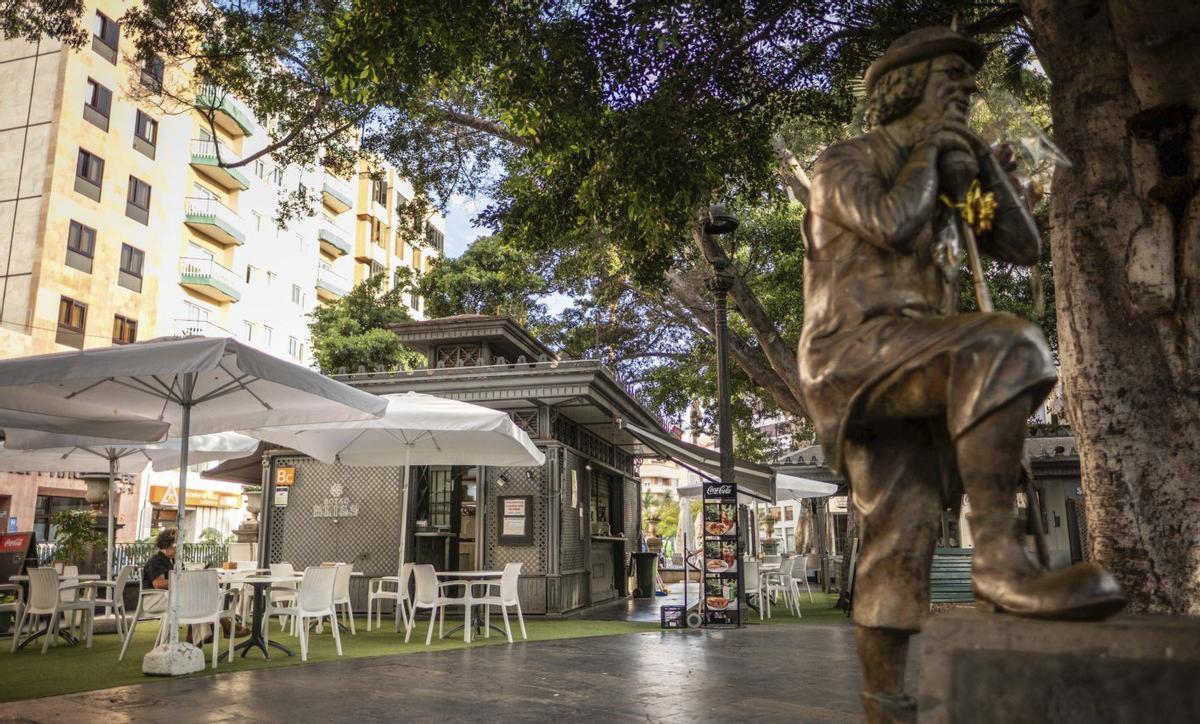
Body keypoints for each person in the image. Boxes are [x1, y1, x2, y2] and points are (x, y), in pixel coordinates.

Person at [799, 23, 1124, 723]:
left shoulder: (951, 173)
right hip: (854, 352)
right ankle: (999, 557)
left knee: (901, 529)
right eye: (953, 77)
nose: (969, 89)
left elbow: (1023, 246)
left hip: (921, 356)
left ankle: (885, 706)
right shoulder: (843, 162)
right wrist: (930, 153)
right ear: (907, 85)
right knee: (1008, 343)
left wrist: (982, 168)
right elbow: (892, 222)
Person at [142, 528, 248, 641]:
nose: (180, 548)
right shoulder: (156, 561)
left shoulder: (173, 561)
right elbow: (159, 584)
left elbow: (181, 579)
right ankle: (222, 626)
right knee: (196, 601)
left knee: (197, 601)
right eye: (178, 544)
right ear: (169, 544)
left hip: (171, 597)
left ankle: (195, 639)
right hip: (154, 599)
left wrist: (190, 578)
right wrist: (185, 580)